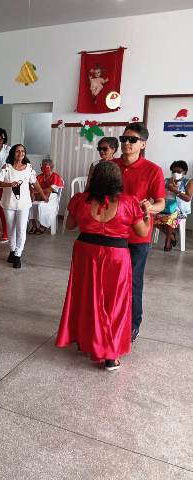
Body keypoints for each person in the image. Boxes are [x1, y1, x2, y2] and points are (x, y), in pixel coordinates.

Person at [56, 161, 151, 371]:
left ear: (93, 178)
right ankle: (109, 355)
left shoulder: (80, 200)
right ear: (118, 180)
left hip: (85, 251)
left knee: (86, 297)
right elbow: (143, 232)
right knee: (114, 303)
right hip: (115, 255)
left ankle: (85, 340)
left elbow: (70, 225)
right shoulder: (129, 202)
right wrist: (146, 215)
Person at [113, 123, 165, 342]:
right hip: (111, 233)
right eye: (124, 139)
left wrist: (150, 208)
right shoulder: (110, 166)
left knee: (132, 280)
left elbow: (161, 202)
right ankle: (110, 320)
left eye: (132, 140)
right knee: (111, 280)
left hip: (138, 235)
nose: (126, 143)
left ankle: (133, 324)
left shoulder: (153, 170)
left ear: (142, 144)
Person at [0, 144, 47, 268]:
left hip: (24, 204)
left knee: (21, 229)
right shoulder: (6, 167)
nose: (20, 153)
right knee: (10, 228)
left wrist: (43, 195)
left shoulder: (29, 168)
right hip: (8, 203)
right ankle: (12, 251)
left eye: (23, 151)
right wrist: (9, 184)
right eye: (18, 151)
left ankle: (17, 255)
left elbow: (34, 182)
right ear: (13, 153)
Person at [154, 161, 192, 251]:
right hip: (165, 208)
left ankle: (167, 242)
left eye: (179, 172)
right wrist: (165, 188)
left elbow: (188, 198)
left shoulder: (188, 182)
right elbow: (158, 195)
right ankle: (171, 236)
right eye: (173, 171)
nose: (176, 174)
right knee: (152, 216)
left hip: (180, 211)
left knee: (171, 217)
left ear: (185, 172)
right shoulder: (166, 181)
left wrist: (175, 190)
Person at [29, 158, 64, 234]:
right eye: (42, 165)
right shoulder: (39, 177)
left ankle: (43, 225)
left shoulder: (56, 176)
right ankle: (34, 226)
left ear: (51, 167)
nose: (43, 167)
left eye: (46, 165)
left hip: (52, 197)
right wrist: (34, 192)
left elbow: (50, 190)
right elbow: (32, 188)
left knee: (42, 205)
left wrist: (36, 191)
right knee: (29, 204)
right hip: (40, 195)